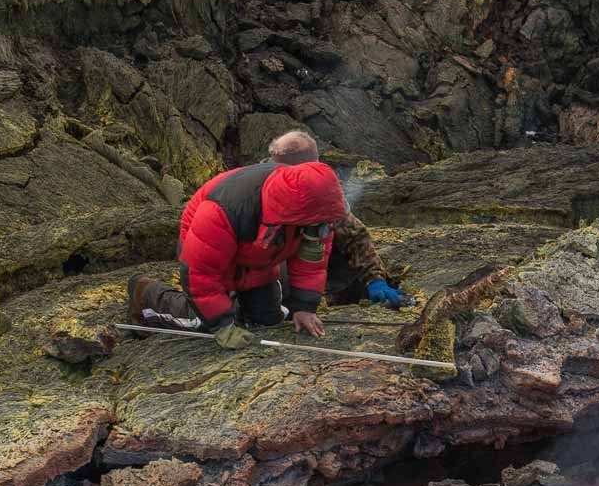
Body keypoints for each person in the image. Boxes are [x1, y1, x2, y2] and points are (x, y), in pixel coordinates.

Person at [126, 131, 412, 342]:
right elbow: (200, 273)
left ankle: (244, 304)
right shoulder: (227, 208)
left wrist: (304, 307)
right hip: (217, 252)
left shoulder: (315, 202)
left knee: (269, 323)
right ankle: (145, 294)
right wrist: (222, 325)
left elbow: (312, 258)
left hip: (264, 258)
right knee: (203, 322)